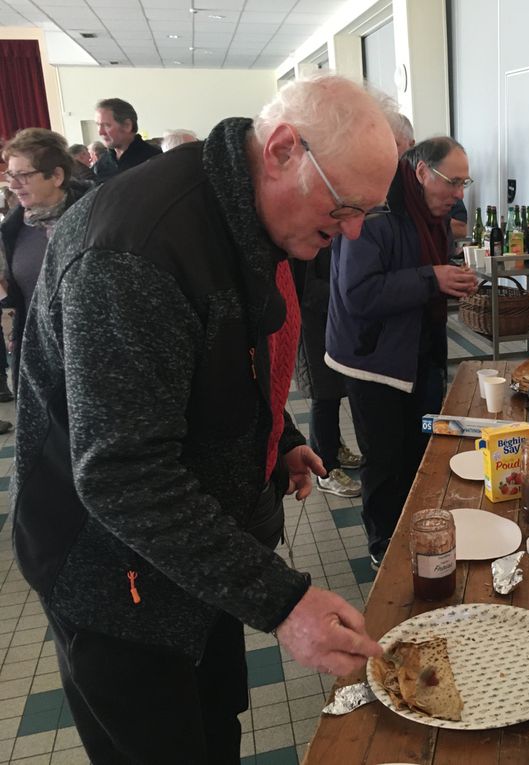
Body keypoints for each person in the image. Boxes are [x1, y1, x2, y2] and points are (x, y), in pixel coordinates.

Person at [11, 75, 398, 763]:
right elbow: (122, 474)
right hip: (114, 580)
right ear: (282, 149)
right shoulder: (136, 253)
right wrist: (282, 602)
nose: (354, 232)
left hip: (200, 556)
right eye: (345, 208)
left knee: (216, 730)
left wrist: (279, 436)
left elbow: (222, 357)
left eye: (368, 212)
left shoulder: (245, 207)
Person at [326, 136, 477, 566]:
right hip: (373, 360)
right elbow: (358, 293)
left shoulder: (432, 215)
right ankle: (383, 550)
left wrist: (451, 280)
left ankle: (420, 536)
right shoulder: (373, 214)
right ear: (421, 172)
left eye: (465, 183)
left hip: (419, 353)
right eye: (453, 182)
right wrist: (432, 279)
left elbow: (422, 271)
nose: (459, 195)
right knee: (385, 461)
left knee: (423, 452)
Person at [1, 128, 92, 396]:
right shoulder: (14, 229)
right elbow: (19, 298)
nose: (14, 185)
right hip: (39, 359)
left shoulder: (95, 217)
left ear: (56, 176)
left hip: (91, 355)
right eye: (10, 175)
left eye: (23, 175)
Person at [291, 248, 364, 498]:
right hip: (312, 329)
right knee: (323, 396)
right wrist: (350, 289)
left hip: (333, 324)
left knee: (334, 392)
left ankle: (334, 448)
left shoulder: (330, 231)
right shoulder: (305, 238)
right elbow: (306, 289)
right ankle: (326, 469)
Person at [92, 97, 162, 182]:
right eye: (98, 125)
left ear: (127, 125)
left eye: (107, 125)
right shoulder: (102, 163)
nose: (100, 132)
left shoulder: (154, 160)